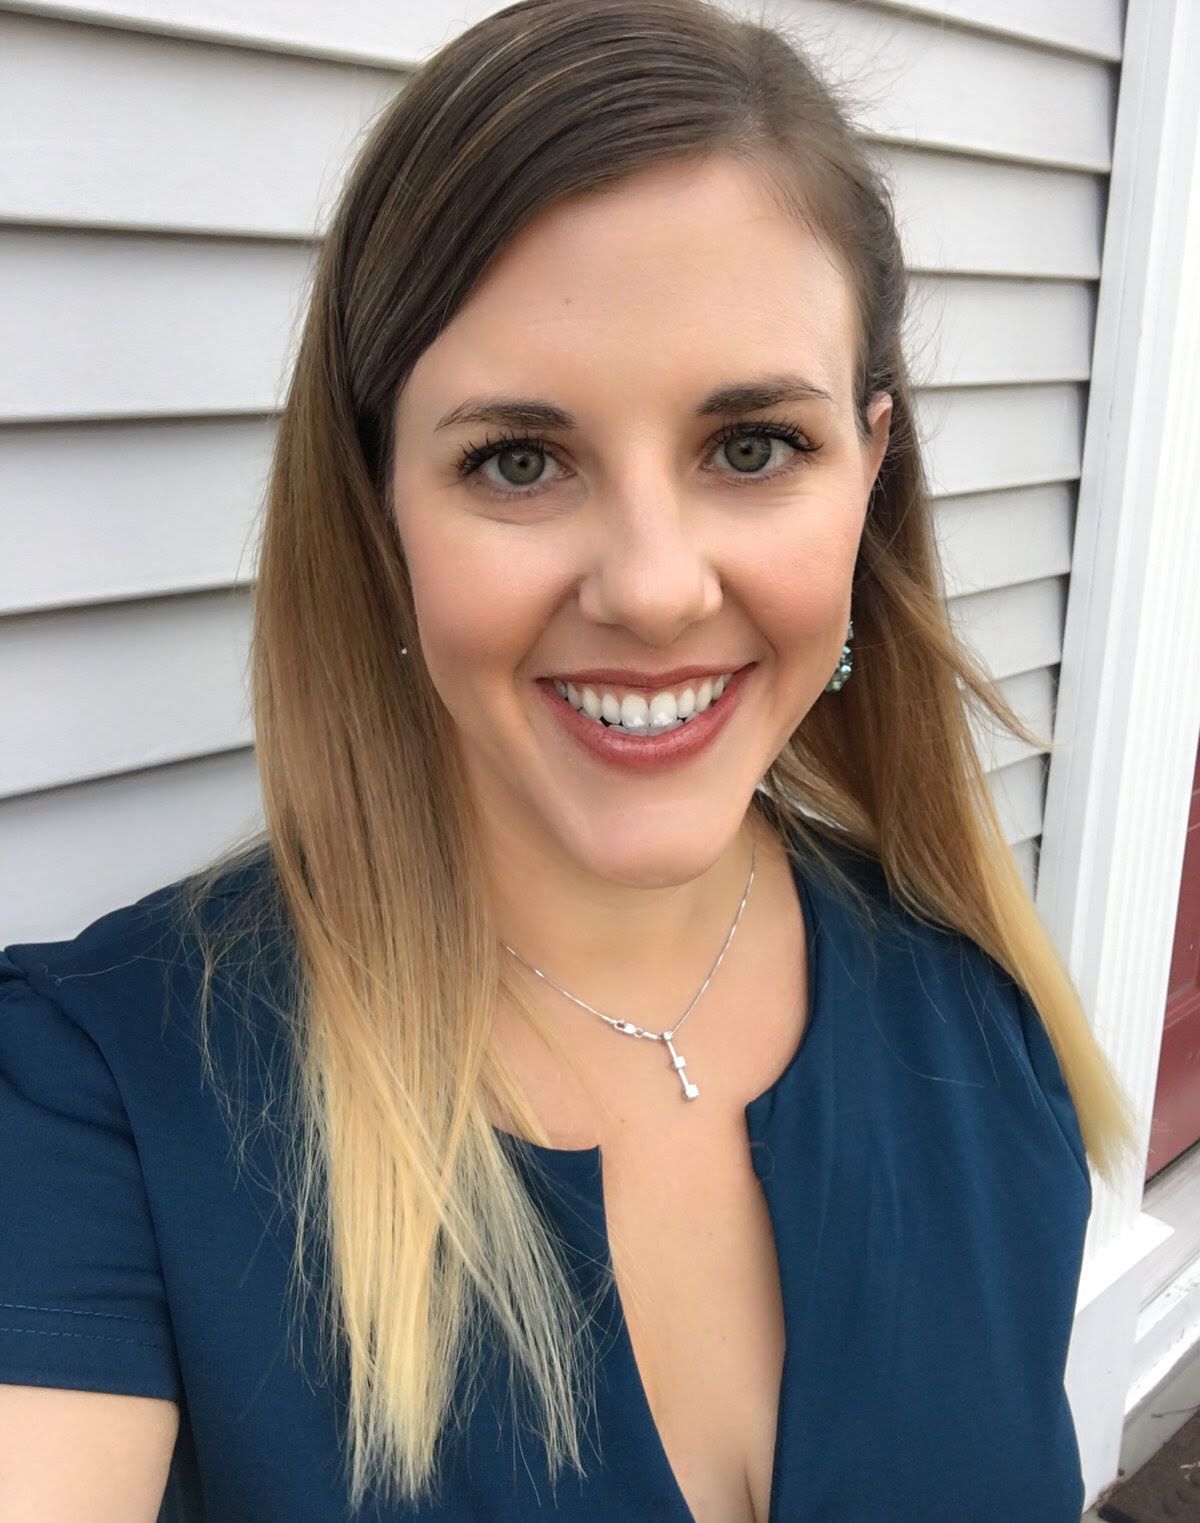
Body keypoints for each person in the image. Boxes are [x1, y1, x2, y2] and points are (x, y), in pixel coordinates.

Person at [0, 1, 1138, 1519]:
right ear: (376, 505)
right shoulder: (95, 1109)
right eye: (518, 460)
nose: (656, 587)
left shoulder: (981, 1026)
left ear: (871, 470)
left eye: (752, 446)